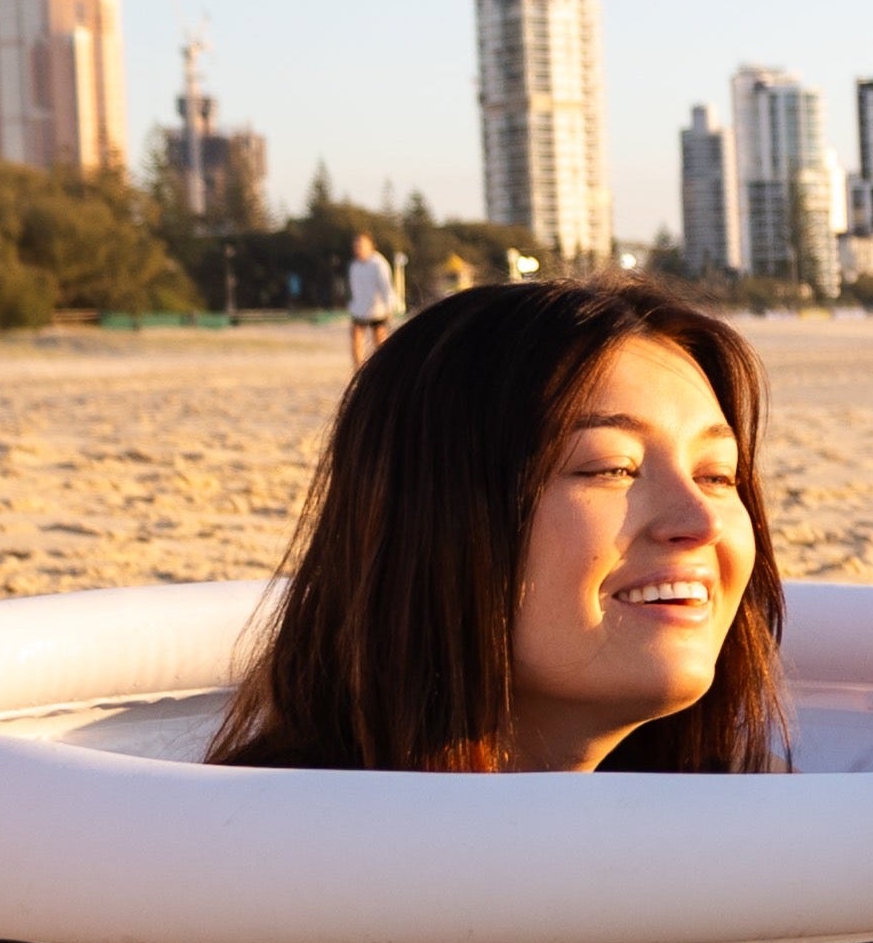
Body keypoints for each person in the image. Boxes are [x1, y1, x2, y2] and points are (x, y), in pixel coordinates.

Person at [211, 278, 787, 773]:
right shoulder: (266, 873)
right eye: (612, 467)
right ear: (438, 522)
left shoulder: (733, 855)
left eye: (717, 475)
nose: (702, 520)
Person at [346, 232, 397, 369]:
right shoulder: (354, 266)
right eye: (356, 245)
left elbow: (386, 287)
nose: (358, 248)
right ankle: (358, 370)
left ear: (371, 246)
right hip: (360, 309)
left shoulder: (379, 264)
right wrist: (353, 305)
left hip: (377, 310)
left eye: (361, 245)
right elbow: (354, 290)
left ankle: (383, 369)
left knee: (380, 342)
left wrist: (389, 308)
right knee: (356, 338)